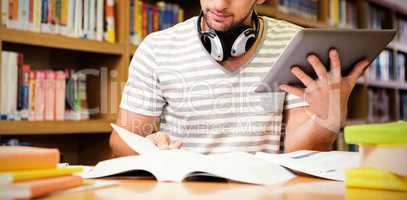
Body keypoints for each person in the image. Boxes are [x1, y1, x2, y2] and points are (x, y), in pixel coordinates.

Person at [109, 0, 369, 156]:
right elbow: (121, 140)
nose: (220, 4)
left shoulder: (295, 43)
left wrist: (327, 120)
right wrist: (148, 148)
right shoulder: (157, 48)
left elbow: (300, 152)